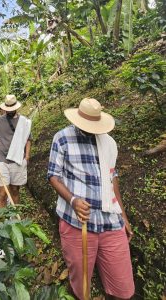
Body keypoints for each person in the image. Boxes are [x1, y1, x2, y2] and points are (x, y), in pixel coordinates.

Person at [47, 98, 135, 300]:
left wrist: (124, 216)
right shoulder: (62, 138)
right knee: (81, 285)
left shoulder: (109, 142)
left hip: (110, 221)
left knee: (124, 288)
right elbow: (53, 175)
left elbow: (112, 179)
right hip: (77, 223)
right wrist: (73, 200)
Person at [0, 95, 32, 208]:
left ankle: (14, 219)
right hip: (2, 159)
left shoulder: (24, 121)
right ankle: (1, 219)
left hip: (18, 159)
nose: (10, 111)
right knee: (2, 193)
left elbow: (28, 139)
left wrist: (27, 156)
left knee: (14, 190)